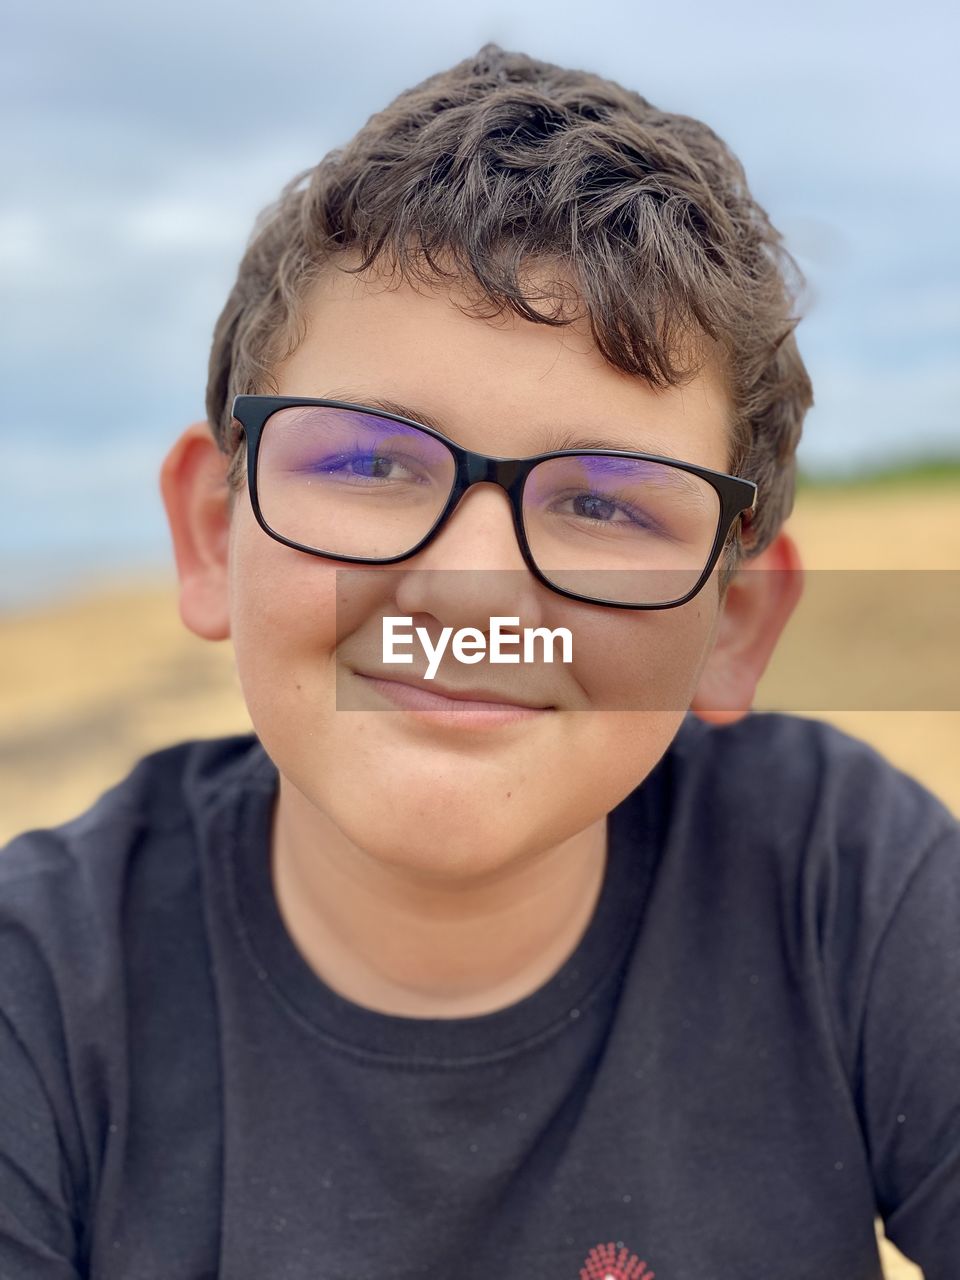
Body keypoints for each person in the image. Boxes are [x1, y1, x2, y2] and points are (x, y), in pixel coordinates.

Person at [1, 43, 957, 1280]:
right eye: (366, 462)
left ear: (730, 627)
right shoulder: (42, 994)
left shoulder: (845, 884)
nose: (469, 587)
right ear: (209, 532)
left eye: (608, 503)